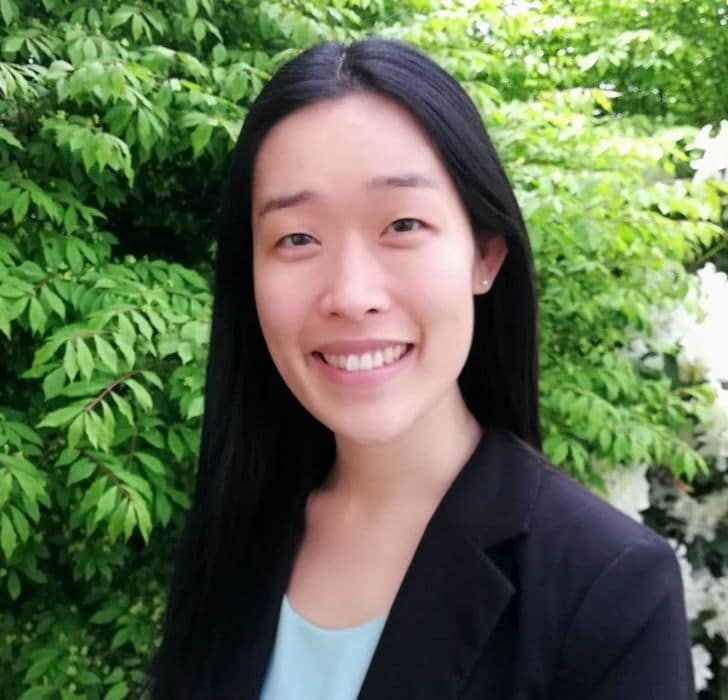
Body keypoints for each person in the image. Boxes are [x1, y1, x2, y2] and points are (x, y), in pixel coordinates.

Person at [147, 36, 695, 699]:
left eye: (402, 224)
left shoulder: (606, 586)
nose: (351, 295)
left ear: (485, 254)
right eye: (297, 238)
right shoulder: (241, 527)